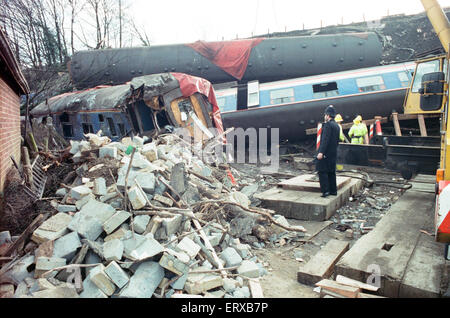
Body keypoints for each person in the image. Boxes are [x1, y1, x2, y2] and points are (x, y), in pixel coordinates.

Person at [316, 105, 341, 198]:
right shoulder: (337, 126)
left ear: (327, 115)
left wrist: (321, 152)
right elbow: (337, 140)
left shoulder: (328, 125)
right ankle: (333, 191)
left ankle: (325, 191)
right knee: (331, 172)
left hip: (325, 153)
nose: (324, 116)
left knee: (322, 171)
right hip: (333, 152)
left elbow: (325, 140)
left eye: (325, 115)